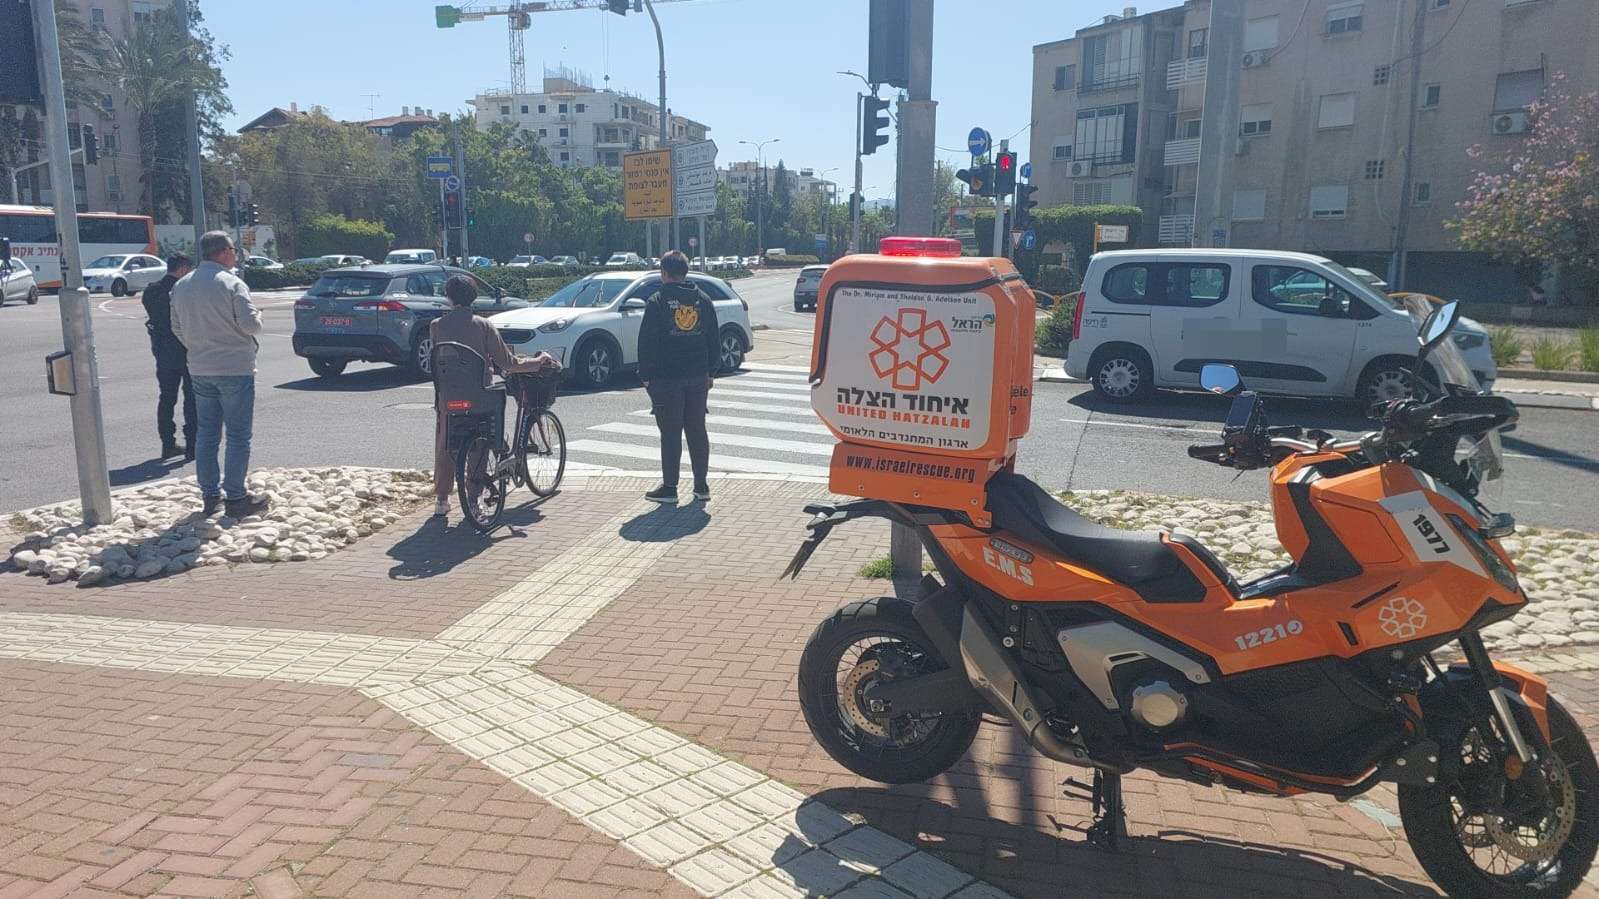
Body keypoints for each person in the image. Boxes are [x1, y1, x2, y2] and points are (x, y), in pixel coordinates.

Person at [431, 274, 559, 519]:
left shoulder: (436, 326)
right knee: (482, 440)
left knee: (445, 442)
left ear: (449, 297)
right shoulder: (483, 326)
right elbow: (508, 363)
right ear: (473, 297)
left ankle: (442, 499)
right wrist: (537, 362)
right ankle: (474, 498)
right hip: (480, 396)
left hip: (447, 398)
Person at [170, 231, 268, 519]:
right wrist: (259, 317)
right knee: (238, 435)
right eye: (233, 250)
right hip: (234, 366)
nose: (235, 254)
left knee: (207, 434)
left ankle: (210, 496)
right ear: (224, 251)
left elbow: (177, 328)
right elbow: (250, 326)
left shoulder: (182, 285)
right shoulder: (232, 283)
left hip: (200, 367)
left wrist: (198, 345)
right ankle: (236, 496)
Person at [637, 250, 719, 505]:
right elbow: (713, 339)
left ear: (663, 273)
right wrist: (711, 372)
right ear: (685, 271)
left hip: (666, 378)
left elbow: (647, 342)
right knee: (697, 430)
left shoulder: (657, 301)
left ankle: (670, 488)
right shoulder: (703, 299)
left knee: (670, 433)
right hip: (698, 376)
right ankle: (701, 485)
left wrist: (646, 376)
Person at [142, 253, 196, 460]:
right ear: (183, 269)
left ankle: (168, 443)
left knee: (166, 398)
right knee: (191, 399)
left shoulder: (151, 291)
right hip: (186, 349)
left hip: (162, 351)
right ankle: (192, 444)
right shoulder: (183, 290)